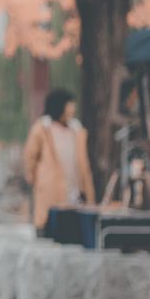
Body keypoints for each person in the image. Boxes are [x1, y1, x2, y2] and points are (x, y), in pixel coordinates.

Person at [23, 88, 96, 236]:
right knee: (49, 227)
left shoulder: (77, 130)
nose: (73, 109)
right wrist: (34, 178)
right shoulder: (42, 129)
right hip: (50, 190)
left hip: (74, 191)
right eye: (70, 105)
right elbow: (30, 157)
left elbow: (84, 164)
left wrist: (88, 192)